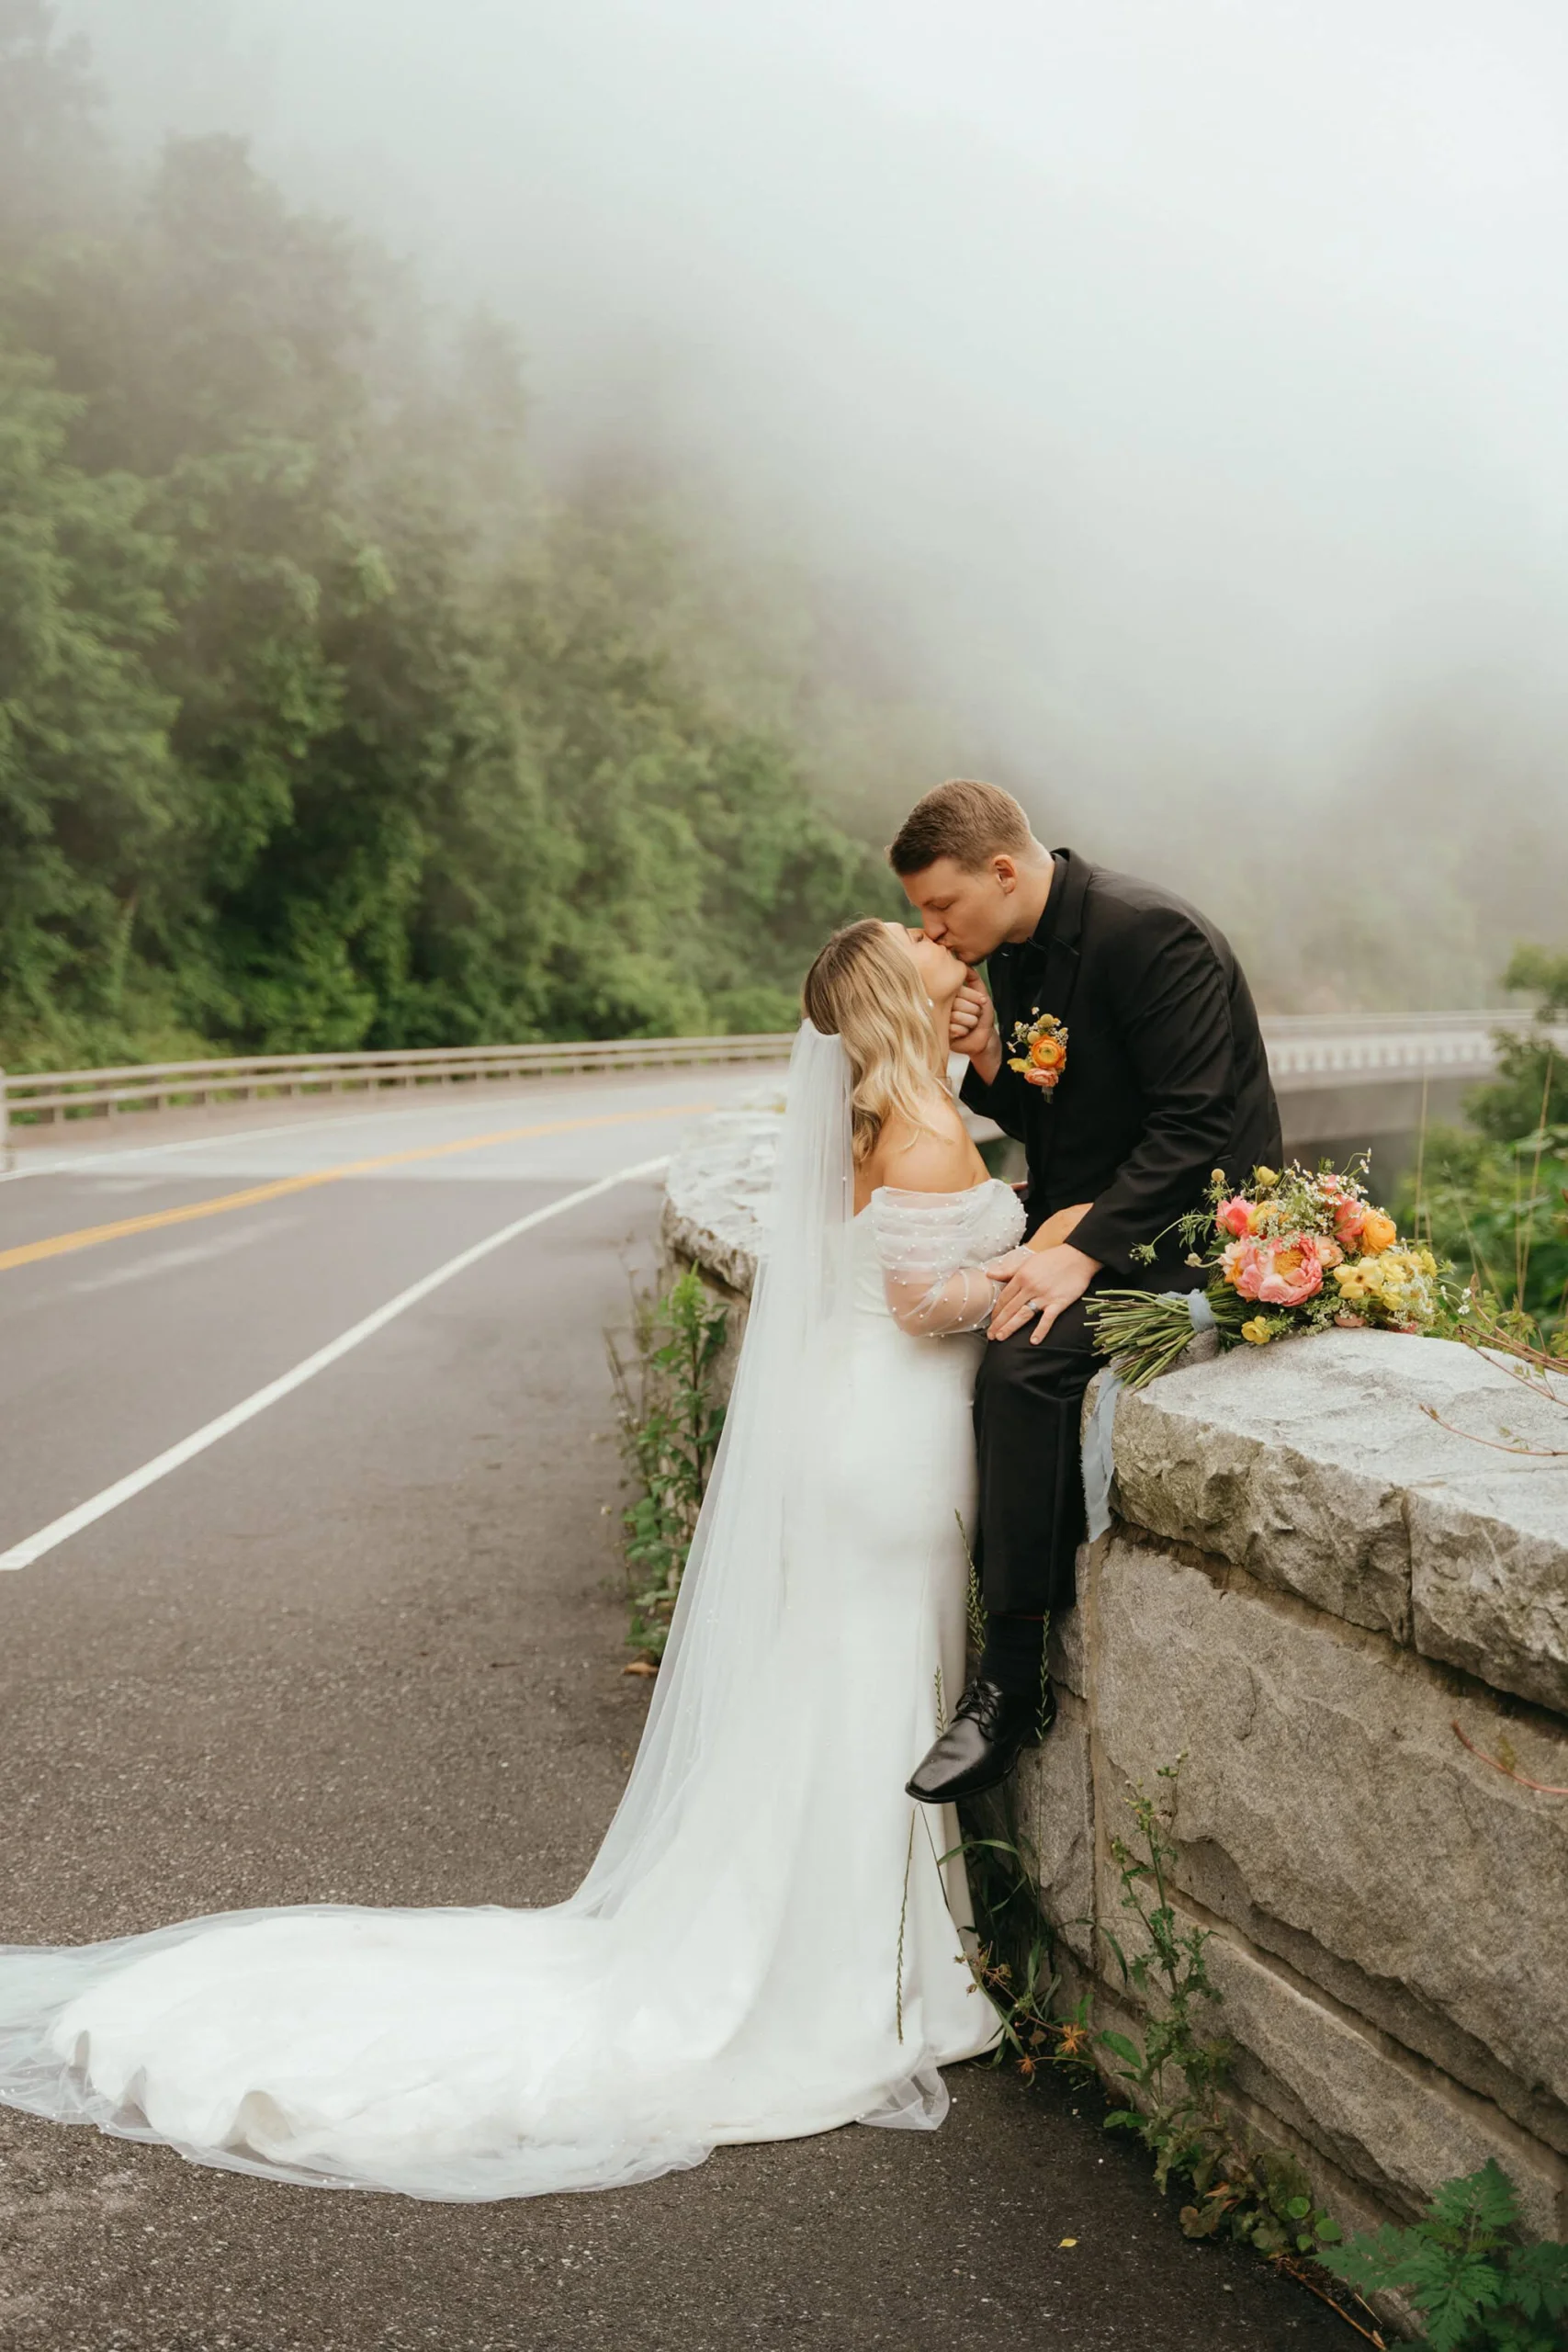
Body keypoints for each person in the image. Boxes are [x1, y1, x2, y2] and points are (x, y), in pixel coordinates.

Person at [0, 922, 1025, 2202]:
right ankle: (865, 1971)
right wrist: (1037, 1255)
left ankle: (865, 1948)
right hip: (889, 1444)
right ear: (892, 992)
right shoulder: (918, 1131)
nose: (941, 941)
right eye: (918, 939)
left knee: (844, 1690)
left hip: (862, 1429)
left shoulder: (887, 1116)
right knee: (869, 1688)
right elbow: (926, 1302)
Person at [892, 779, 1282, 1804]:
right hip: (1089, 1213)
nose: (933, 930)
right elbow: (1053, 1118)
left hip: (1197, 1226)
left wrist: (1081, 1255)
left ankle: (1010, 1682)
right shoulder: (1012, 953)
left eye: (940, 906)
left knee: (1024, 1360)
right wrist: (987, 1057)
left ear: (1002, 872)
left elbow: (1195, 1129)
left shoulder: (1151, 936)